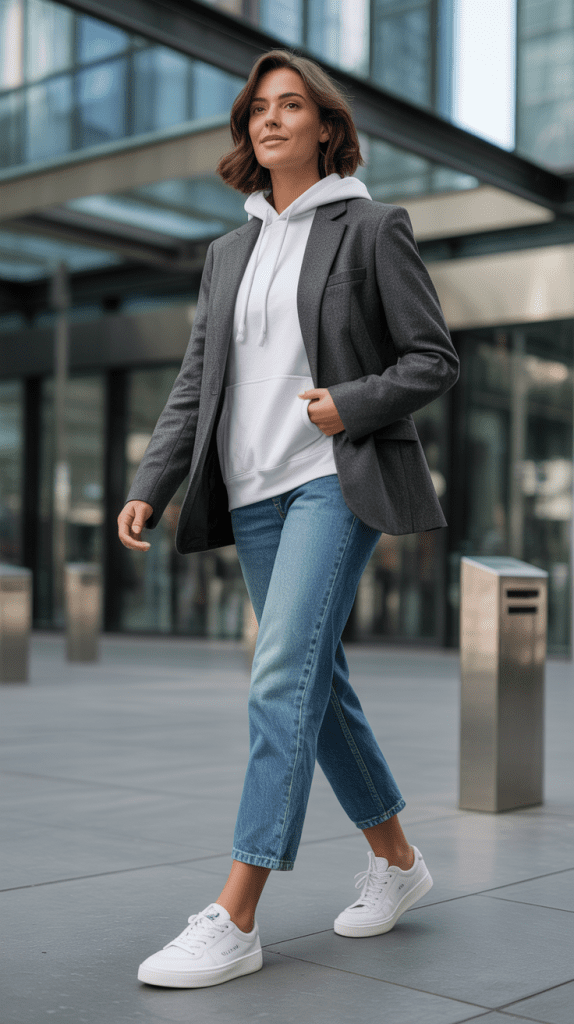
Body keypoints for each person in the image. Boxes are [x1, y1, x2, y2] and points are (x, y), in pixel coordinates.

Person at [118, 48, 459, 990]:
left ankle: (237, 911)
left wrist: (350, 402)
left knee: (278, 680)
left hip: (331, 482)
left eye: (291, 105)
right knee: (317, 678)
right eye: (259, 108)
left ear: (324, 126)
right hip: (253, 491)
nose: (271, 120)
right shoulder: (228, 251)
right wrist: (155, 476)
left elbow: (434, 360)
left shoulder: (371, 227)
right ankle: (397, 862)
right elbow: (197, 383)